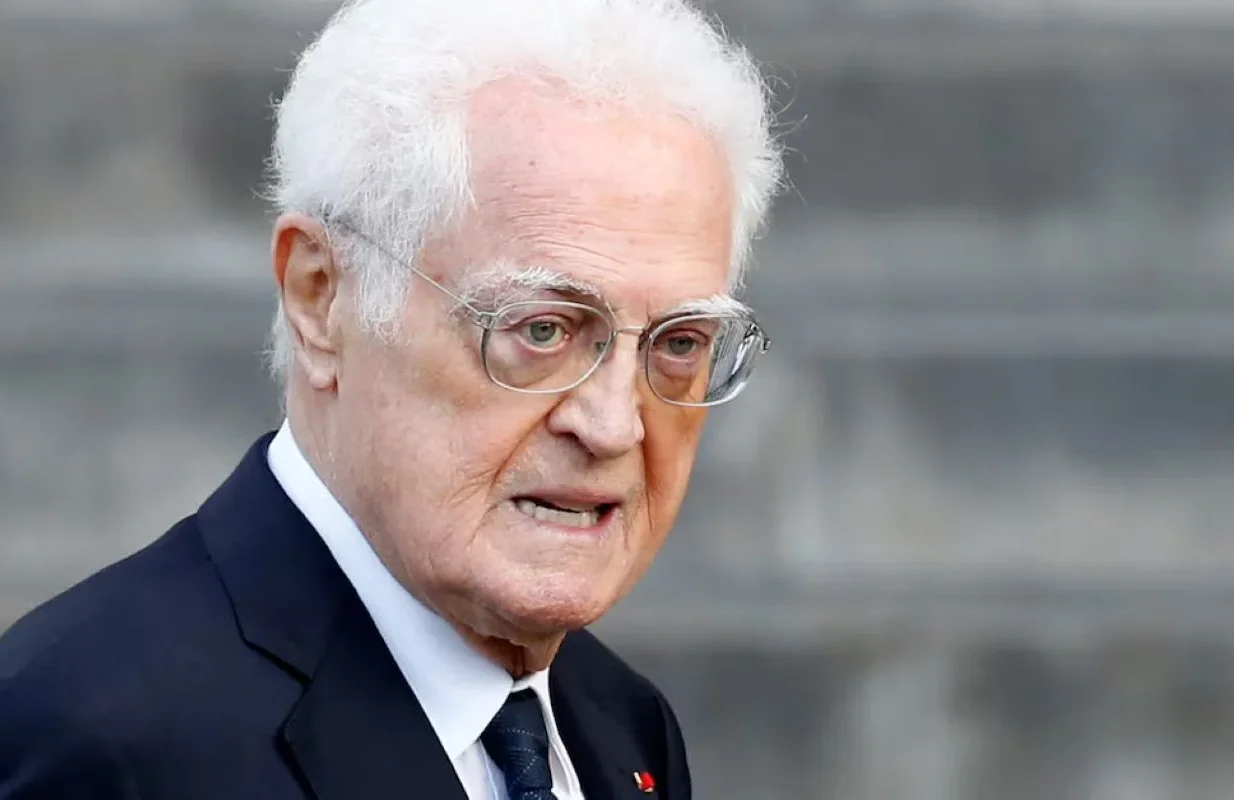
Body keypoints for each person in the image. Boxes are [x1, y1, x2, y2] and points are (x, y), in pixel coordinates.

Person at [0, 0, 781, 797]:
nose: (613, 425)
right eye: (542, 329)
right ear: (320, 298)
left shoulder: (619, 725)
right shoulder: (96, 740)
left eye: (680, 343)